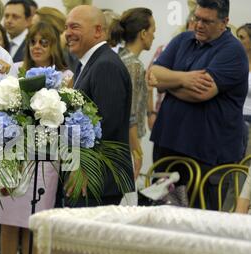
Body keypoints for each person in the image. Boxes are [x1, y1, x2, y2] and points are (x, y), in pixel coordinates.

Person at [0, 21, 71, 254]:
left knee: (34, 224)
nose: (37, 46)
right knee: (8, 222)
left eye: (44, 42)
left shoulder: (65, 77)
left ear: (53, 47)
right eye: (33, 42)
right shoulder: (14, 70)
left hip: (46, 159)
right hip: (14, 154)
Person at [149, 0, 249, 210]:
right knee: (162, 215)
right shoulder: (183, 39)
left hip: (207, 154)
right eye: (196, 18)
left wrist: (168, 83)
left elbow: (201, 93)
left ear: (224, 22)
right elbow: (154, 74)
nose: (198, 25)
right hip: (168, 145)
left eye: (207, 21)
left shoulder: (233, 51)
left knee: (197, 222)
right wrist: (185, 79)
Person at [63, 5, 134, 206]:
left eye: (75, 27)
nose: (68, 33)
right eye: (66, 27)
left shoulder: (106, 65)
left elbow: (106, 126)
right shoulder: (85, 63)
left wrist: (85, 168)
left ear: (98, 31)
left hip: (97, 181)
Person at [110, 8, 156, 180]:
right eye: (153, 31)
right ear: (143, 33)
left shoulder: (120, 58)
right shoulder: (134, 65)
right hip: (126, 145)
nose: (154, 36)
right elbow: (131, 115)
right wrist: (137, 152)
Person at [236, 24, 251, 156]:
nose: (238, 41)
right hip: (233, 119)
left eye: (242, 37)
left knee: (246, 168)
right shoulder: (234, 62)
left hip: (249, 121)